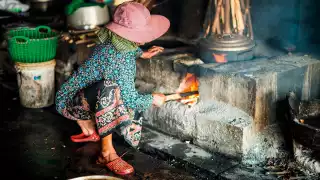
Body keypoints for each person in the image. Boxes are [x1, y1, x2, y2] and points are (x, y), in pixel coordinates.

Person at [56, 1, 170, 176]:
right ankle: (107, 154)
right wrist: (153, 98)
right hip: (69, 103)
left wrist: (142, 53)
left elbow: (126, 47)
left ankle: (89, 125)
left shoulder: (111, 40)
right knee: (111, 89)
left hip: (70, 94)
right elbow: (132, 100)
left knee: (109, 87)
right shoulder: (121, 61)